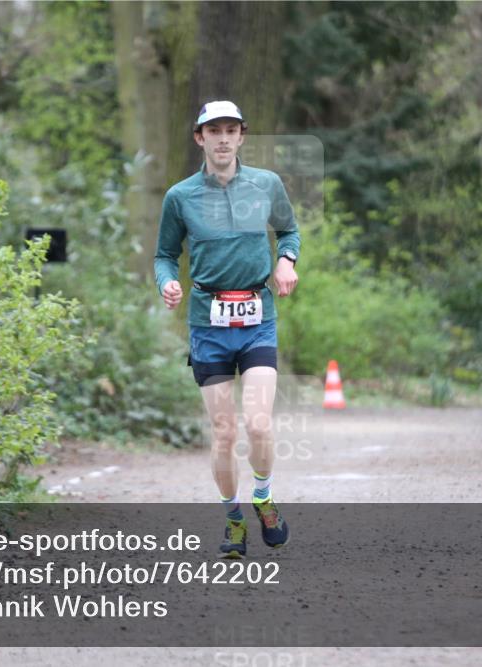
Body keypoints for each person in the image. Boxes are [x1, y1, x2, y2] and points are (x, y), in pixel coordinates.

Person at [154, 100, 300, 558]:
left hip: (257, 318)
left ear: (241, 136)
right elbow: (163, 255)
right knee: (224, 433)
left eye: (230, 129)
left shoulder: (266, 184)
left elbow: (289, 232)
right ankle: (233, 519)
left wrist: (285, 261)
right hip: (208, 324)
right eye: (212, 129)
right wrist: (168, 281)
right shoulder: (180, 197)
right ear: (199, 137)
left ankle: (263, 497)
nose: (221, 137)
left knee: (258, 424)